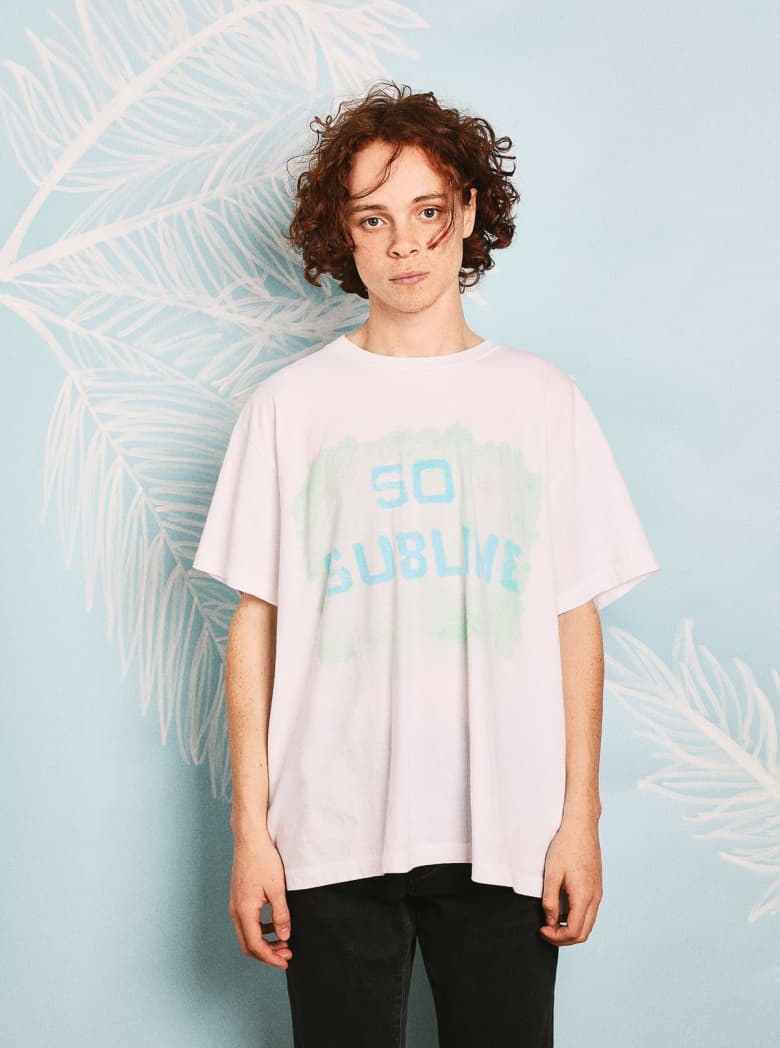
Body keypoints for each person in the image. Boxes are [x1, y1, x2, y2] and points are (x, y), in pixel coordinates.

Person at [190, 81, 660, 1047]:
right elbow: (256, 624)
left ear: (469, 213)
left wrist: (581, 819)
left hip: (507, 831)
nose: (404, 243)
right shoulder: (289, 409)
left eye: (428, 211)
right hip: (329, 828)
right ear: (345, 234)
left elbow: (575, 616)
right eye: (374, 217)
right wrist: (251, 834)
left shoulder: (541, 400)